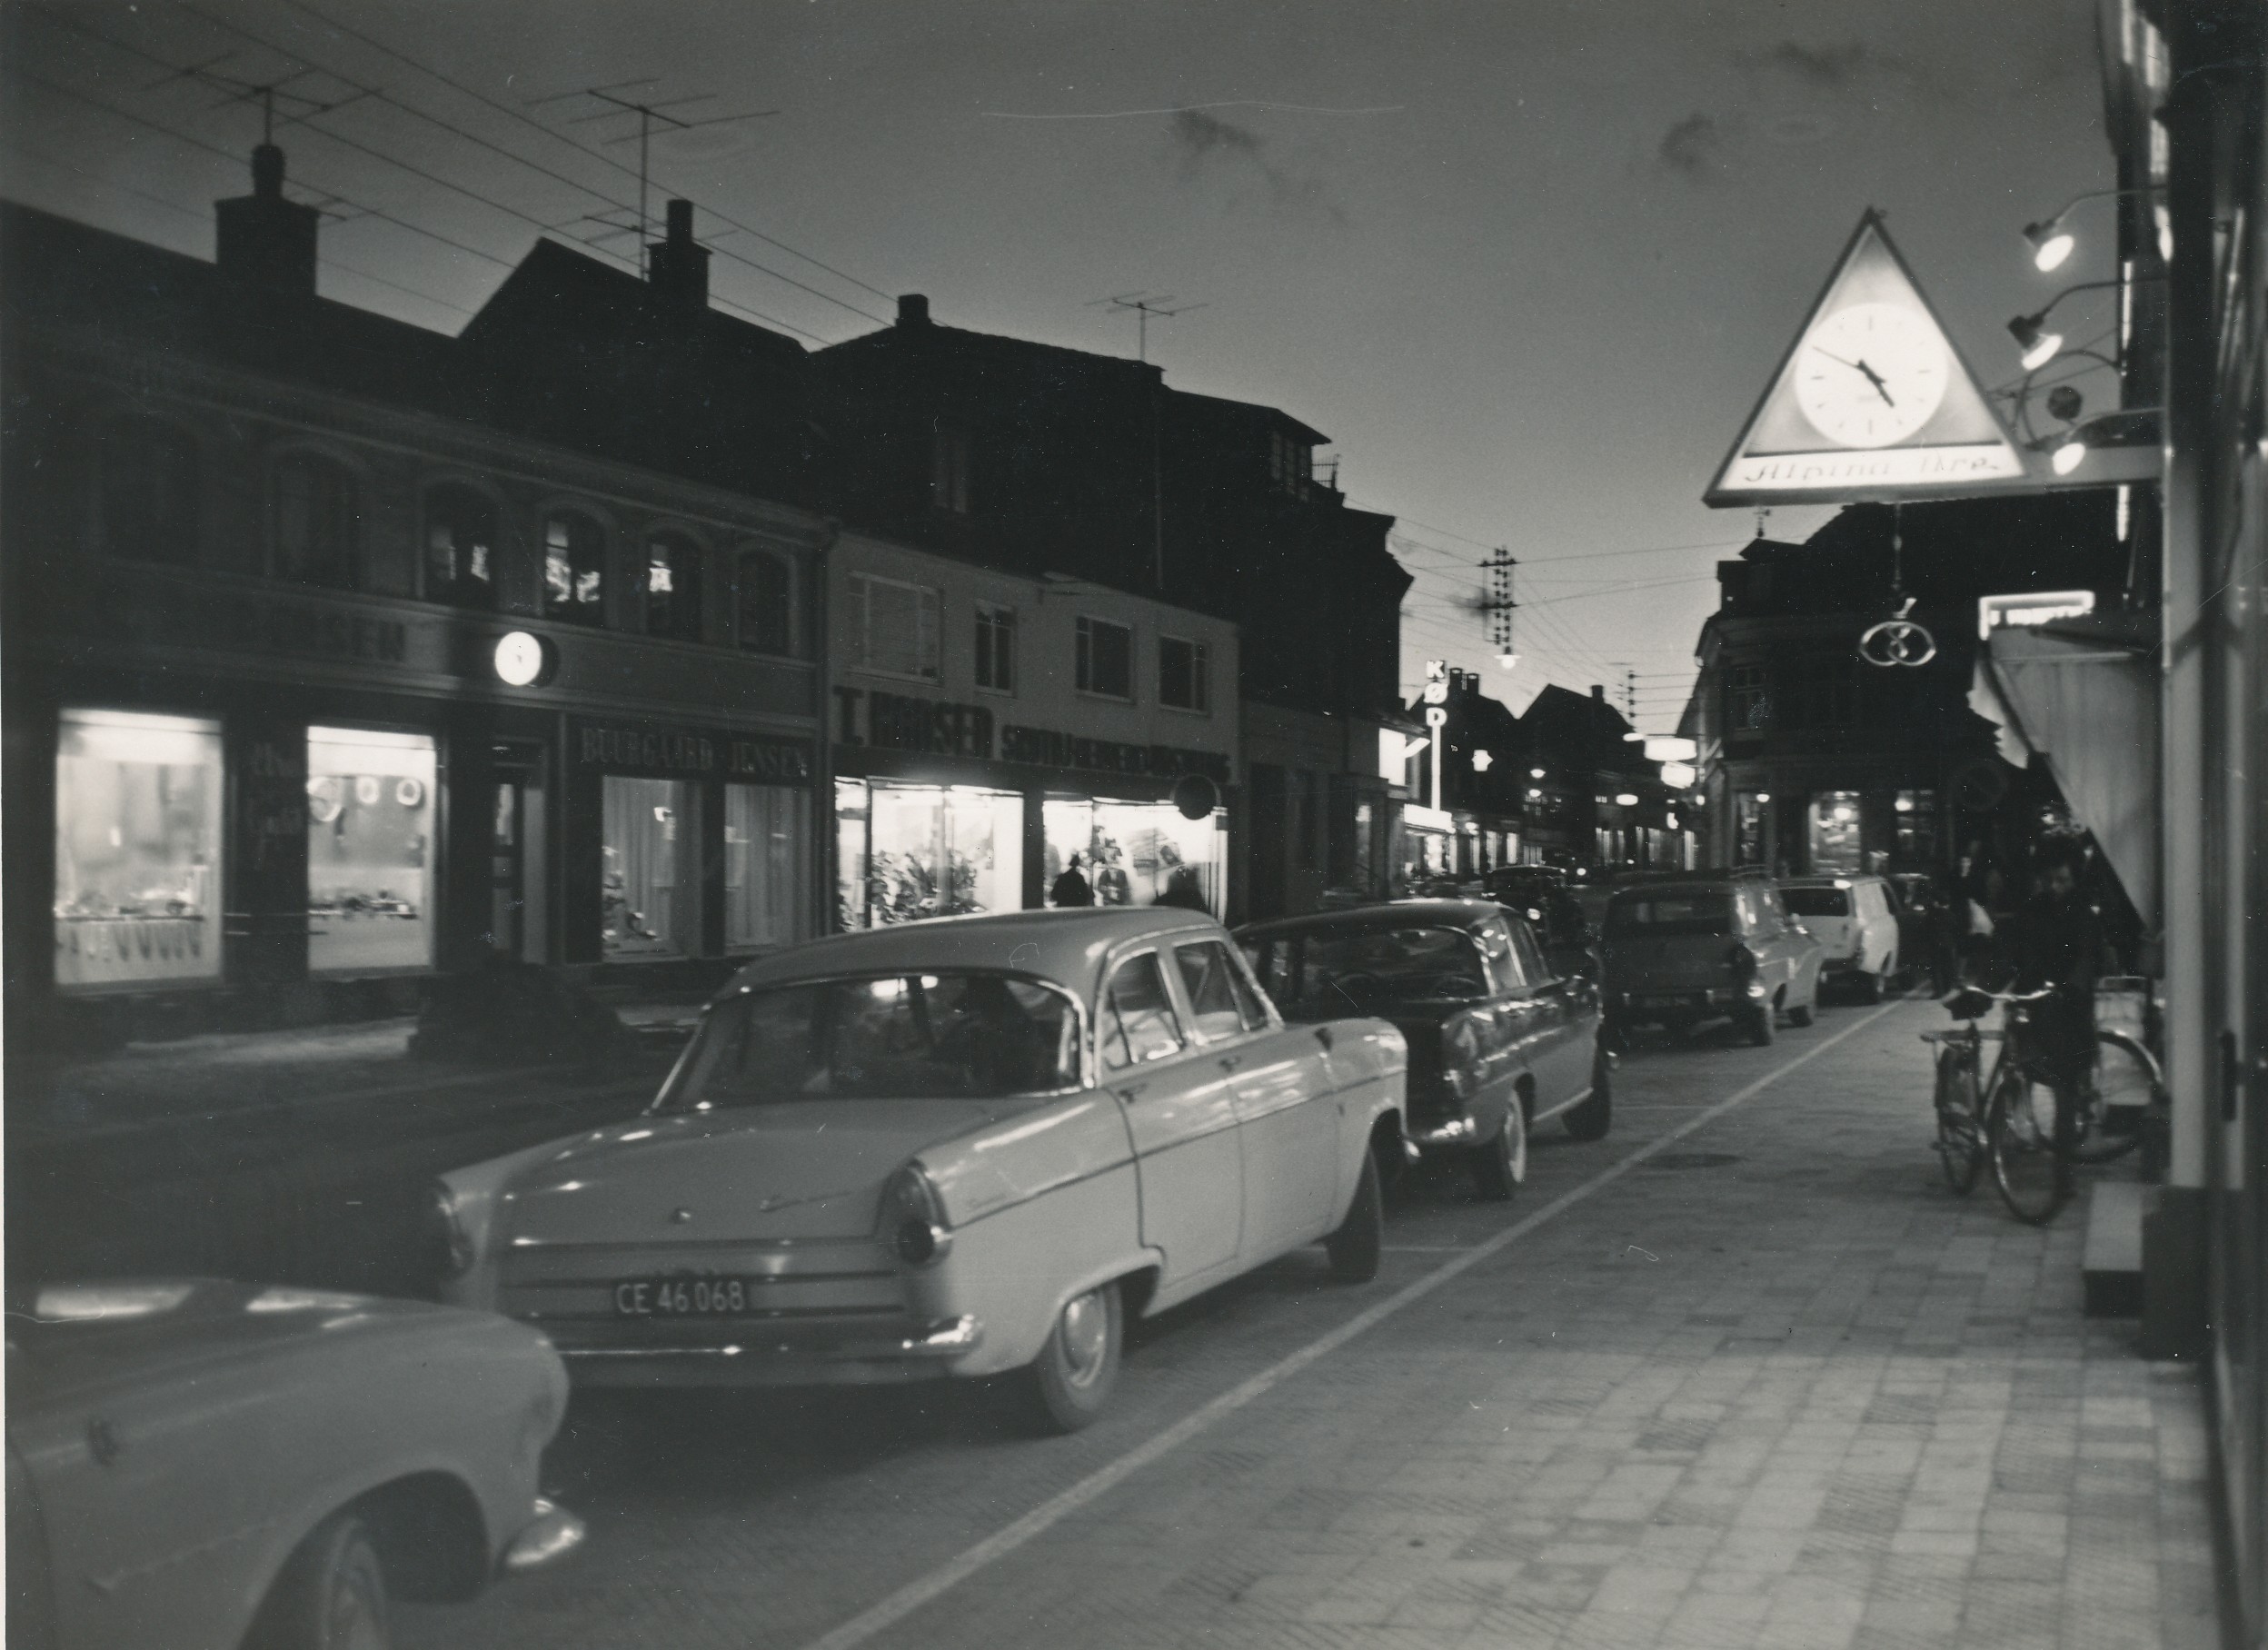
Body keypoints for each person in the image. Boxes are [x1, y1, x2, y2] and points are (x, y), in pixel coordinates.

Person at [1995, 839, 2107, 1203]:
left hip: (2069, 1011)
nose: (2055, 887)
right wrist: (1994, 984)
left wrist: (2073, 987)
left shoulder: (2085, 915)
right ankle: (2012, 1136)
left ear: (2074, 877)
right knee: (2017, 1068)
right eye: (2049, 880)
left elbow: (2089, 957)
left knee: (2066, 1095)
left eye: (2062, 880)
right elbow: (2012, 953)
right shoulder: (2032, 910)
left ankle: (2064, 1175)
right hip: (2034, 1002)